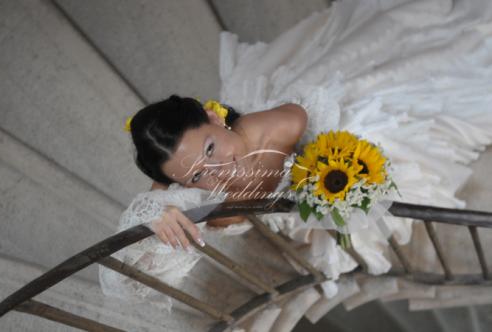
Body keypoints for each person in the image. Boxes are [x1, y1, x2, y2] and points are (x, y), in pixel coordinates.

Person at [100, 0, 492, 329]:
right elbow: (135, 278)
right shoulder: (188, 185)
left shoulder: (283, 127)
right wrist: (159, 211)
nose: (219, 171)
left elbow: (309, 148)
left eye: (210, 149)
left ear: (216, 118)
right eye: (198, 175)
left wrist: (326, 184)